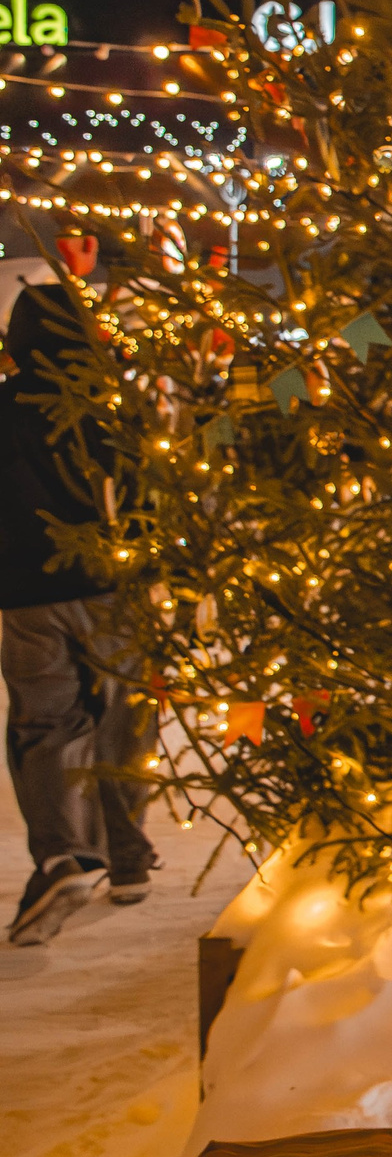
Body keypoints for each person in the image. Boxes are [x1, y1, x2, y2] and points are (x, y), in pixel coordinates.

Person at [2, 283, 157, 945]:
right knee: (126, 717)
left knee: (48, 725)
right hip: (111, 586)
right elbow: (146, 491)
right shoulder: (109, 410)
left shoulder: (2, 409)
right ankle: (127, 858)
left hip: (24, 595)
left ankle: (63, 857)